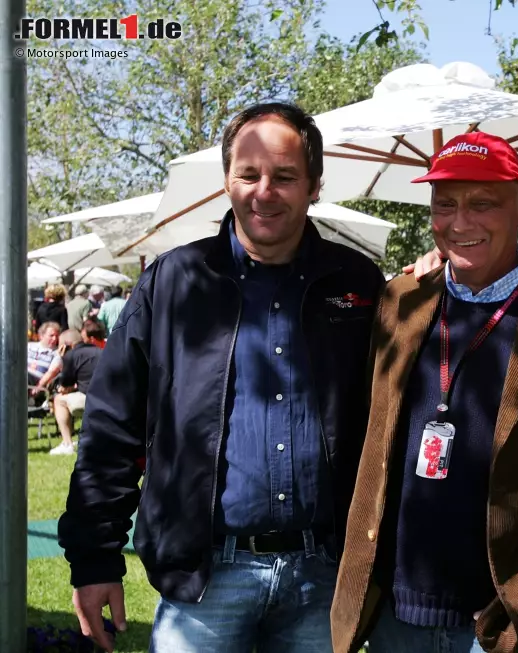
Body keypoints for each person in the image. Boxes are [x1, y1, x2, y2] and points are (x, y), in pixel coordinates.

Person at [58, 102, 384, 653]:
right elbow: (112, 426)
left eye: (285, 177)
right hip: (206, 580)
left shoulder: (357, 283)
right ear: (226, 182)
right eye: (249, 174)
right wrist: (94, 557)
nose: (264, 191)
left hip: (322, 573)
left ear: (315, 185)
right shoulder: (175, 283)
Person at [331, 133, 518, 653]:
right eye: (446, 204)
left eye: (484, 204)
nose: (461, 222)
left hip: (511, 620)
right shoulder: (401, 298)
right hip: (396, 614)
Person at [49, 323, 103, 455]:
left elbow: (65, 385)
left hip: (90, 400)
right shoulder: (101, 351)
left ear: (66, 345)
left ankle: (67, 443)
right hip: (112, 399)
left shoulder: (71, 355)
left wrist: (63, 358)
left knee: (58, 400)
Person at [28, 321, 62, 389]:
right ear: (41, 335)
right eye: (51, 335)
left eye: (56, 336)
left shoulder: (56, 353)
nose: (54, 339)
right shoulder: (29, 346)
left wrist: (38, 387)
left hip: (34, 382)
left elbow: (52, 372)